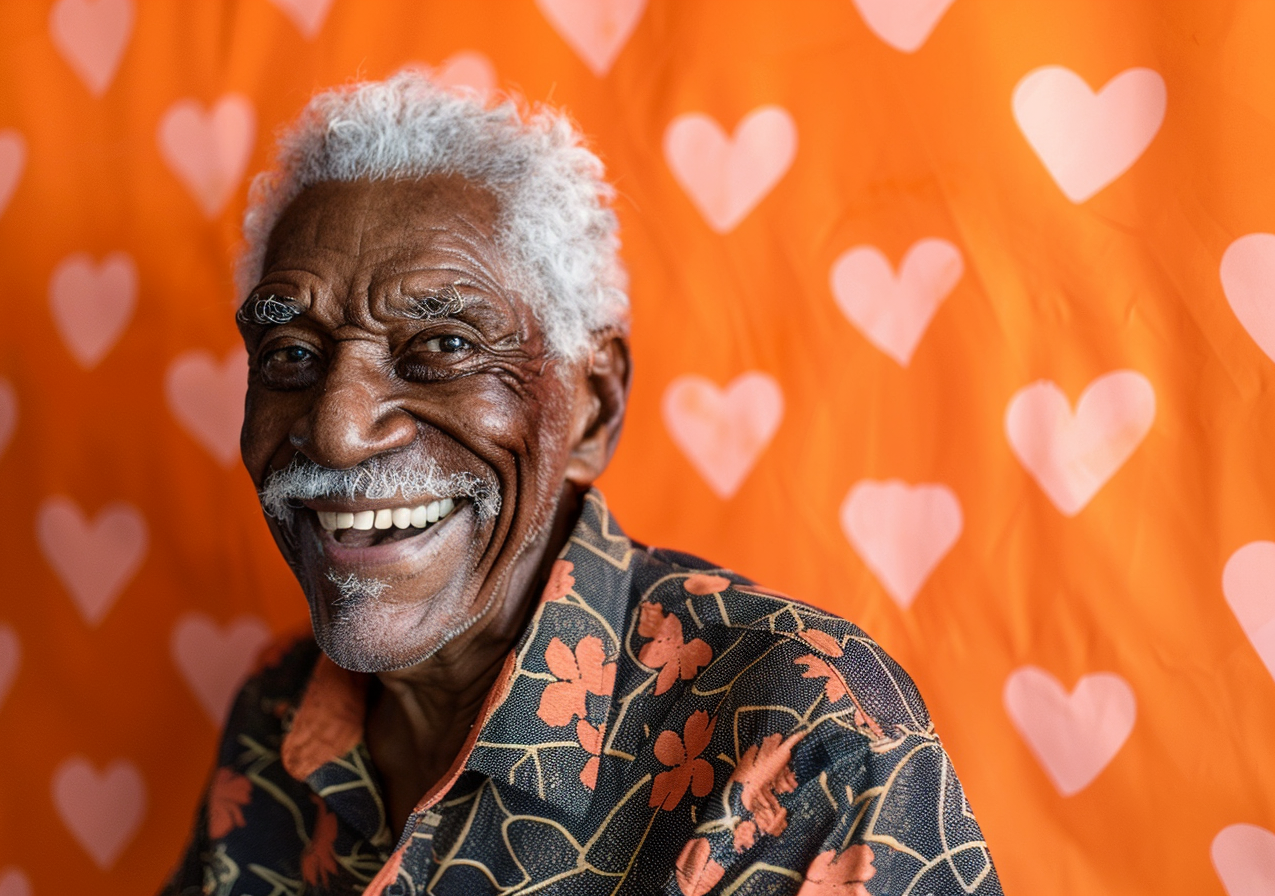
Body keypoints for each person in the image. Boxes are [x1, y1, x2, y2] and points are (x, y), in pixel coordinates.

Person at [163, 73, 1002, 896]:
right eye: (291, 357)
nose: (339, 430)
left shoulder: (799, 731)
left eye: (446, 346)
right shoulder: (277, 708)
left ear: (593, 407)